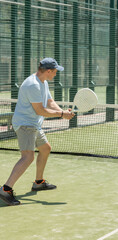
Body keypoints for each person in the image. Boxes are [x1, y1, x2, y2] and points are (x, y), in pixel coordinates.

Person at [0, 58, 75, 206]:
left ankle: (38, 182)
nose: (55, 74)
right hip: (25, 124)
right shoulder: (32, 85)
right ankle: (5, 190)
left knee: (45, 149)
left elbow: (49, 102)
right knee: (27, 157)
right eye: (54, 72)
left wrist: (62, 111)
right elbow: (40, 110)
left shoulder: (43, 82)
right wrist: (61, 115)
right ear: (48, 71)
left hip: (34, 124)